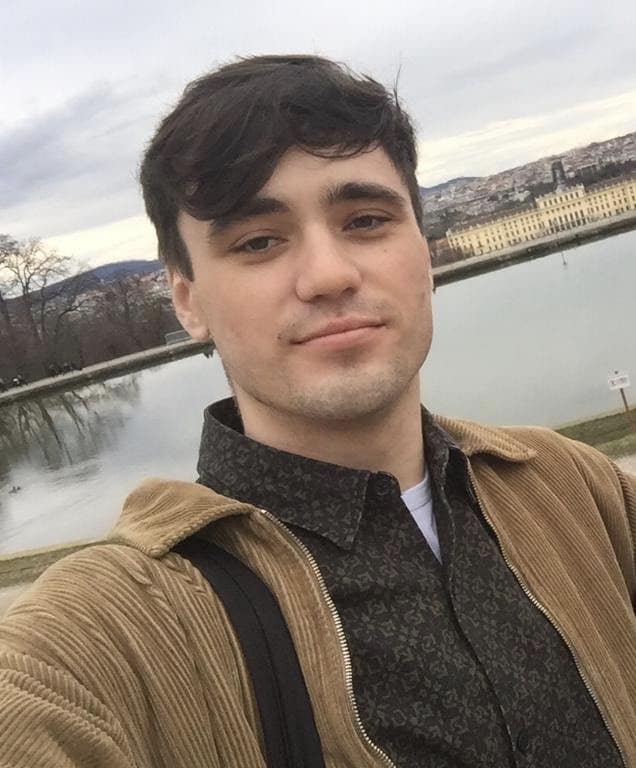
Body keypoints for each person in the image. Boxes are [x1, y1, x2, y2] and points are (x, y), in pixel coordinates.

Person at [1, 55, 635, 768]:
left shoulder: (576, 487)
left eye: (365, 220)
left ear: (422, 251)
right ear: (188, 302)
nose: (330, 275)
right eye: (258, 241)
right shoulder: (104, 643)